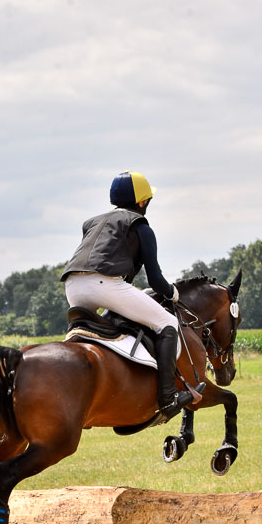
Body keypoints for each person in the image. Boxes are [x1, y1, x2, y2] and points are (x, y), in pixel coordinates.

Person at [61, 170, 201, 421]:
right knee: (167, 323)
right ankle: (167, 398)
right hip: (104, 284)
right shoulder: (140, 225)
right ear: (142, 202)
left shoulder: (92, 223)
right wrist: (173, 293)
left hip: (72, 286)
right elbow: (156, 281)